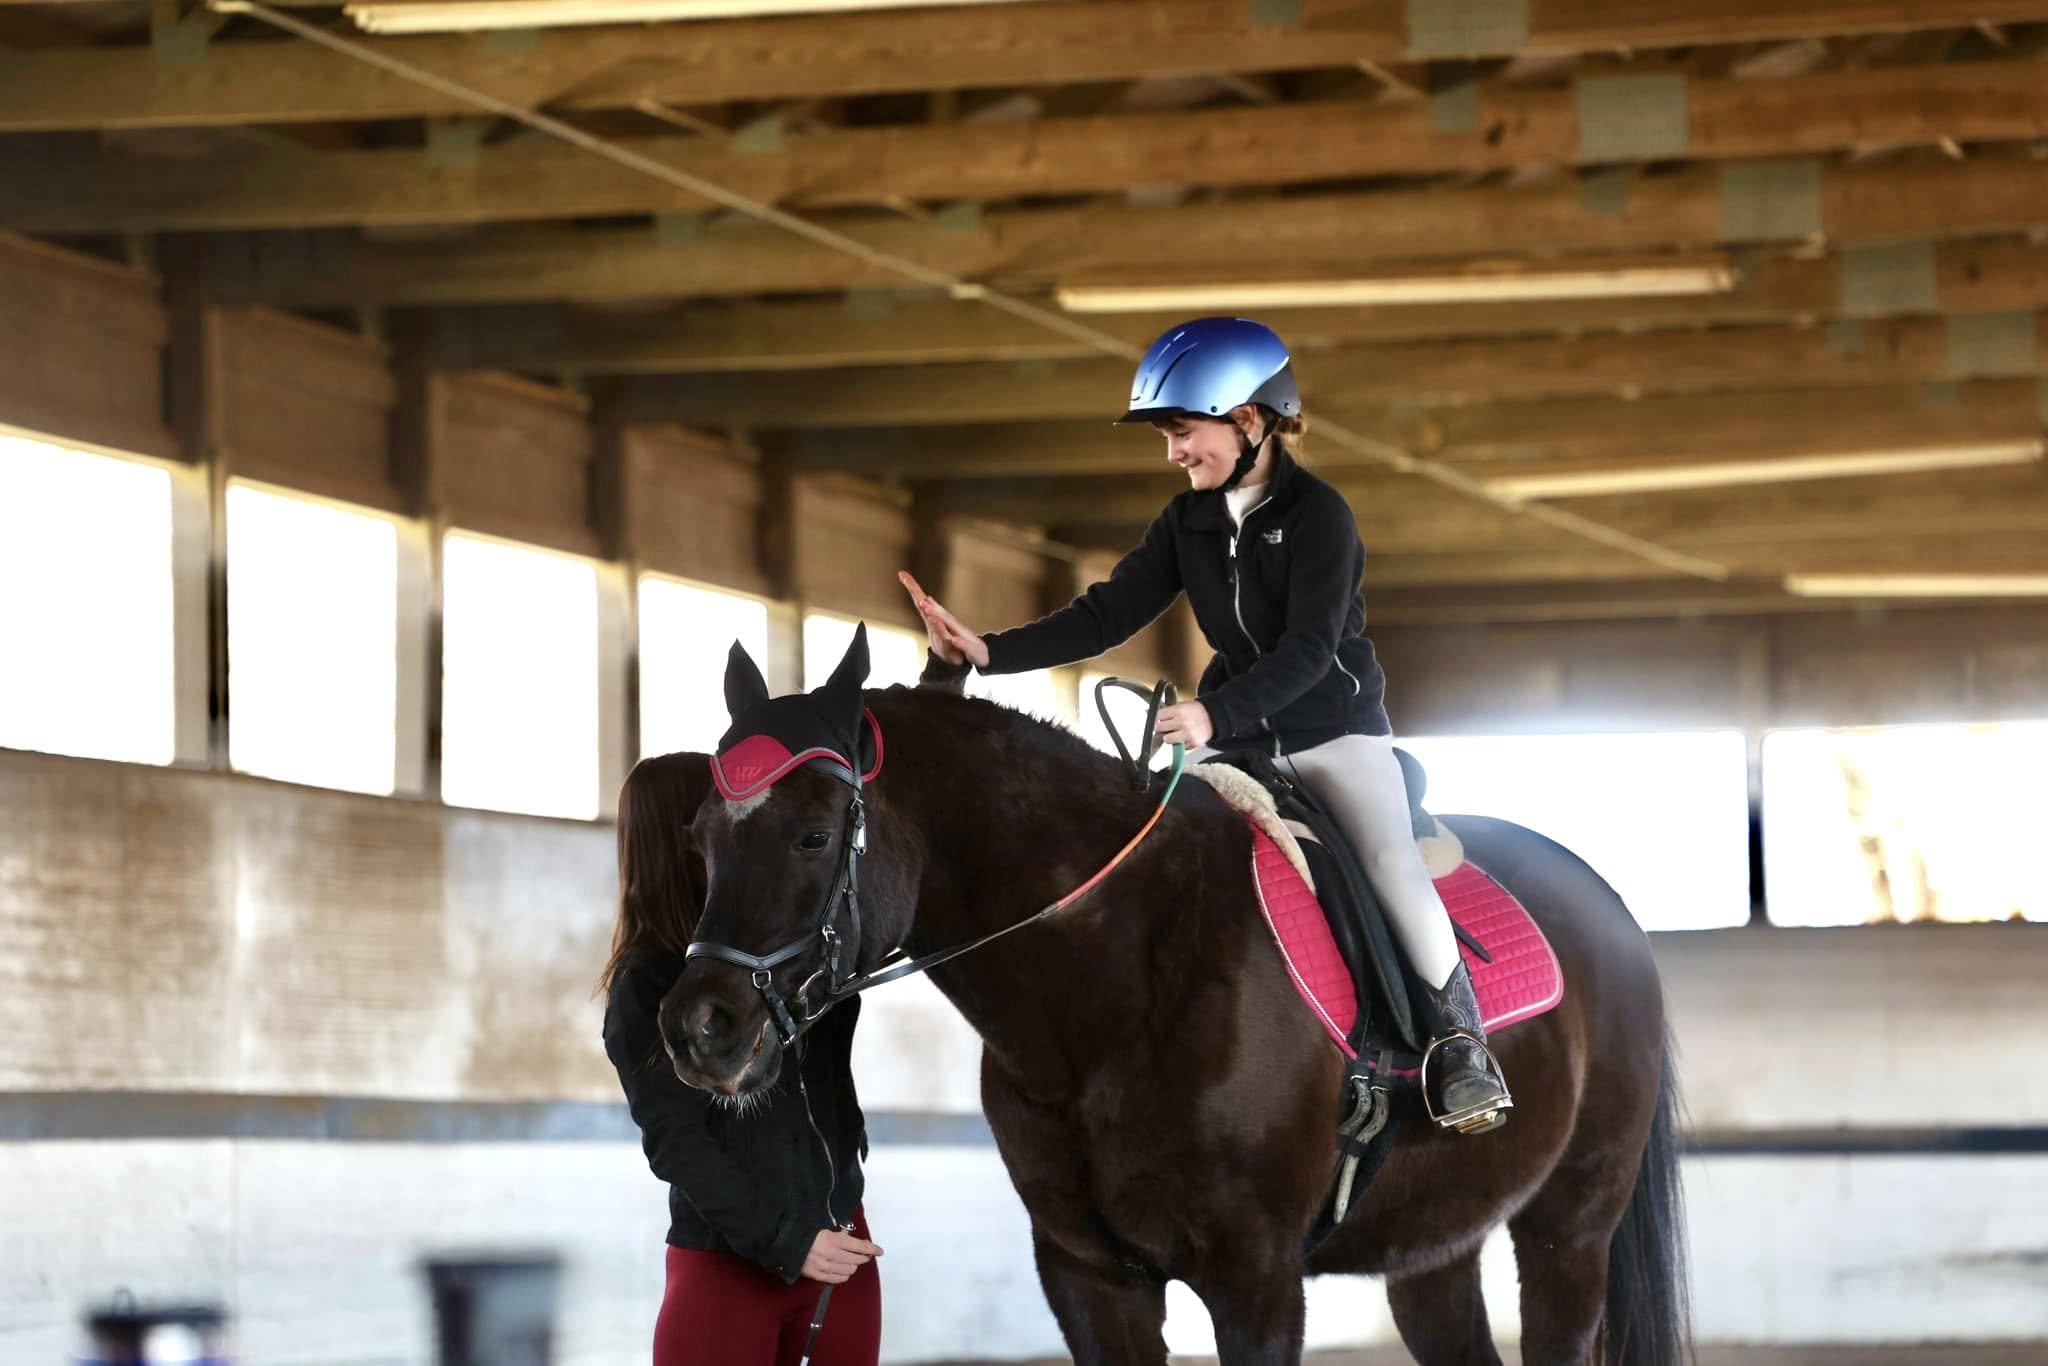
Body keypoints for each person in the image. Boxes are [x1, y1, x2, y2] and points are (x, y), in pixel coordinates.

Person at [900, 316, 1510, 1133]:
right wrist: (985, 652)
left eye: (1184, 433)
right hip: (1238, 738)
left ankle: (1461, 1045)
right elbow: (1105, 614)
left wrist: (1215, 710)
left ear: (1249, 421)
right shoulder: (1183, 522)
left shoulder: (1323, 516)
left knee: (1387, 857)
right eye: (1169, 437)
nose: (1174, 453)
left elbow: (1308, 649)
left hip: (1335, 734)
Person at [601, 754, 884, 1364]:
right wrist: (788, 1242)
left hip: (840, 1250)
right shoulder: (645, 983)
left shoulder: (789, 947)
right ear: (686, 836)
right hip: (730, 1272)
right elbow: (677, 1144)